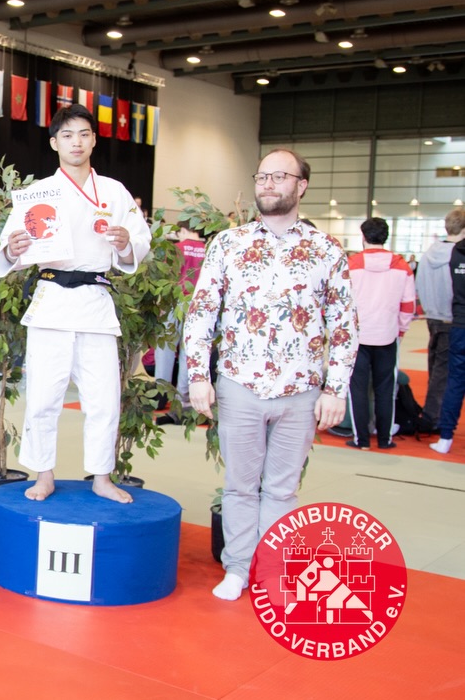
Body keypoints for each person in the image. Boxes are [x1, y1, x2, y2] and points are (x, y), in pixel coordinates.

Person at [184, 149, 358, 601]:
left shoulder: (326, 249)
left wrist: (335, 387)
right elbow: (202, 313)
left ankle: (273, 570)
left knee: (282, 490)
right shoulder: (228, 243)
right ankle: (239, 568)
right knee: (240, 486)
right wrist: (198, 375)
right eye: (262, 175)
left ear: (301, 186)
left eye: (280, 176)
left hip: (301, 391)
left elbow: (344, 323)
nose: (267, 183)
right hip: (240, 384)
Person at [0, 104, 148, 503]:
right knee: (44, 395)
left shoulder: (113, 191)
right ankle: (43, 473)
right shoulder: (39, 192)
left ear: (94, 139)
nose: (76, 142)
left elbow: (139, 239)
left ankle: (101, 476)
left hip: (95, 302)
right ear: (54, 143)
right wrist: (12, 248)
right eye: (67, 135)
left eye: (83, 134)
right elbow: (6, 252)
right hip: (52, 301)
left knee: (104, 399)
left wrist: (126, 244)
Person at [346, 217, 415, 449]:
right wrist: (401, 330)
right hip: (388, 334)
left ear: (363, 236)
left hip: (358, 336)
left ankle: (361, 440)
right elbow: (409, 306)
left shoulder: (351, 264)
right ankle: (385, 439)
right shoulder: (402, 266)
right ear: (386, 236)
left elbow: (343, 302)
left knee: (357, 389)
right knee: (386, 388)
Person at [155, 223, 206, 424]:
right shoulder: (206, 250)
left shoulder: (176, 249)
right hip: (197, 304)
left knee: (165, 349)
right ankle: (183, 401)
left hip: (174, 301)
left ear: (182, 231)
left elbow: (167, 278)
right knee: (188, 352)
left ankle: (160, 394)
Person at [418, 208, 465, 432]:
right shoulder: (457, 256)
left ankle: (431, 412)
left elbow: (421, 284)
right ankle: (434, 417)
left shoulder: (429, 253)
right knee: (445, 373)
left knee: (435, 367)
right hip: (451, 318)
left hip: (432, 316)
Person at [428, 231, 465, 455]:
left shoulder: (456, 253)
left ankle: (445, 437)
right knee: (454, 381)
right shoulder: (454, 252)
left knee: (455, 381)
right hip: (458, 322)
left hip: (459, 324)